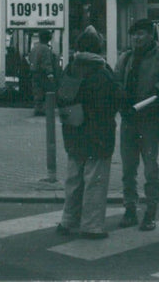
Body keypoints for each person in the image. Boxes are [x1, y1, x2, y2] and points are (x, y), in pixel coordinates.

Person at [55, 26, 124, 239]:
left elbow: (61, 96)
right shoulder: (102, 71)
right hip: (99, 134)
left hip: (74, 132)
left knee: (74, 179)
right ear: (98, 48)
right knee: (95, 180)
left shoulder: (71, 68)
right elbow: (116, 99)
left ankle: (68, 221)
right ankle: (91, 225)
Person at [115, 18, 159, 231]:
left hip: (150, 121)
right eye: (133, 34)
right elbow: (116, 83)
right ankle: (130, 209)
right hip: (128, 120)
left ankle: (150, 212)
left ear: (151, 35)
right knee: (128, 169)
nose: (136, 38)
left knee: (151, 169)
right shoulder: (125, 58)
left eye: (140, 34)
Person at [29, 30, 57, 116]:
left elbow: (30, 59)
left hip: (34, 73)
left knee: (37, 91)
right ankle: (45, 109)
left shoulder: (34, 48)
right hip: (43, 74)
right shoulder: (46, 49)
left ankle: (38, 108)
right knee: (47, 91)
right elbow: (47, 62)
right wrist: (50, 74)